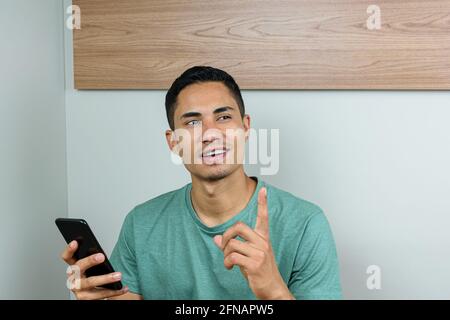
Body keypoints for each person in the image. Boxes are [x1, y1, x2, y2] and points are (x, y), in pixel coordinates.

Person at [61, 66, 342, 300]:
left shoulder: (306, 223)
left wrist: (273, 289)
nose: (210, 134)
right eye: (193, 123)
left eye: (223, 117)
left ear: (245, 128)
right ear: (173, 142)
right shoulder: (141, 224)